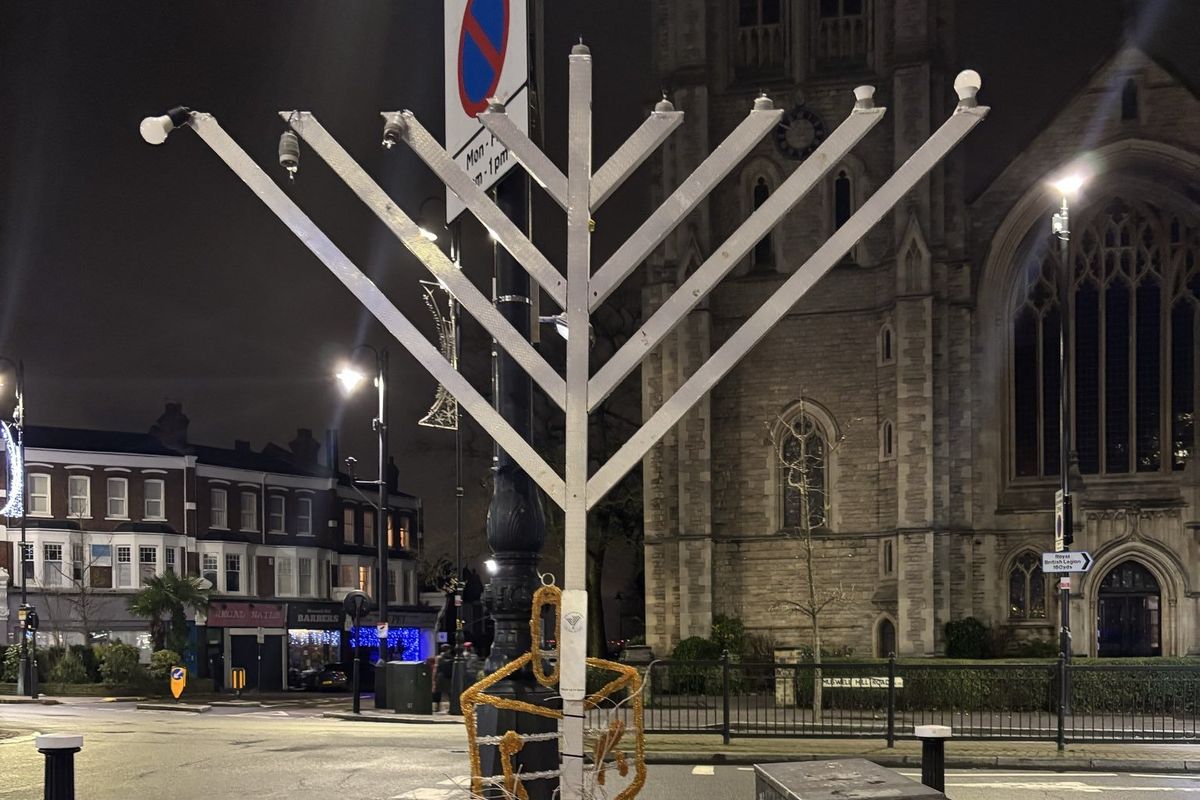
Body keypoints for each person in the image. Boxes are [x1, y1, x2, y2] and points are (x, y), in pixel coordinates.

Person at [435, 644, 454, 711]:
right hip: (449, 677)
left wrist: (434, 677)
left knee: (438, 692)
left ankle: (437, 707)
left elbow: (437, 667)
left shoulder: (439, 657)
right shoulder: (452, 658)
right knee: (449, 693)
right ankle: (451, 708)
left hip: (441, 676)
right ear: (449, 650)